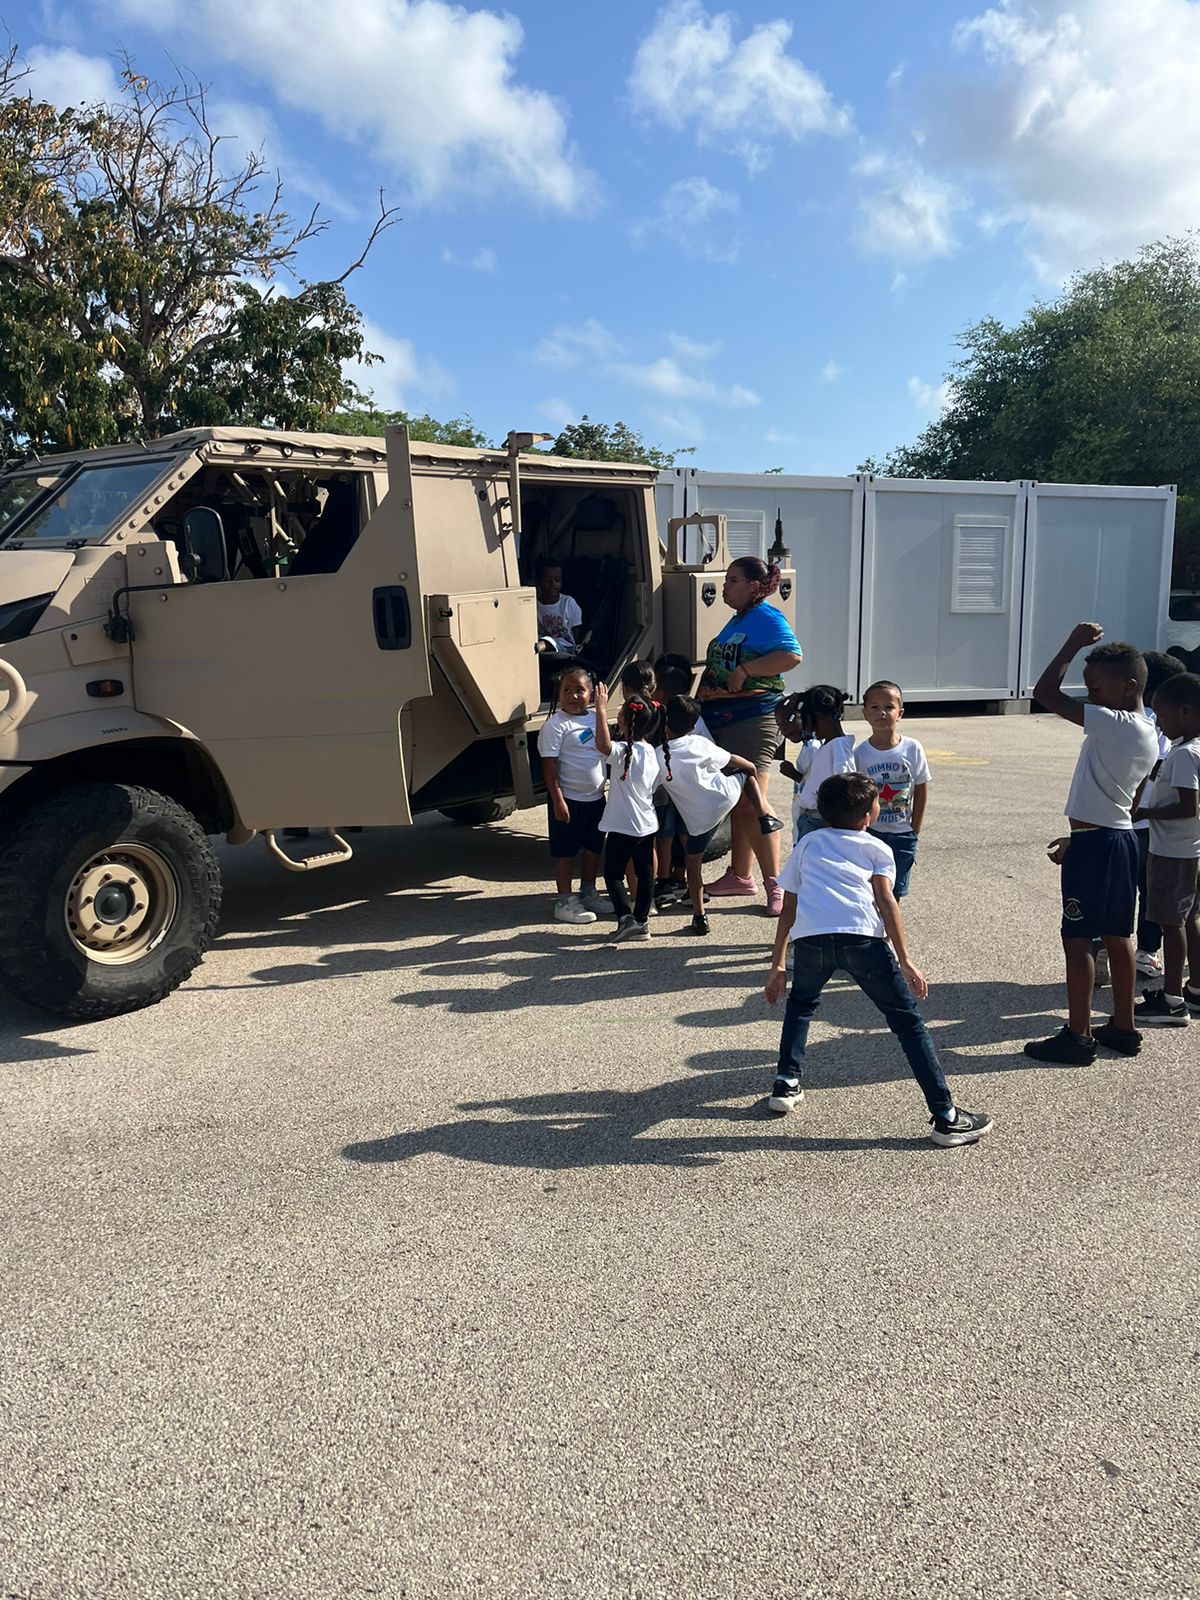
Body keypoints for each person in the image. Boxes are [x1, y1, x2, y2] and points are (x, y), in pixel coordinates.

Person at [763, 772, 992, 1147]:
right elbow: (887, 902)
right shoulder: (877, 848)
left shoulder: (807, 843)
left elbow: (789, 904)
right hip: (862, 939)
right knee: (907, 1024)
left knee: (801, 1005)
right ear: (868, 816)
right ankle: (946, 1116)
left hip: (812, 940)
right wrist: (905, 958)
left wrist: (778, 964)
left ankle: (786, 1083)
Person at [1023, 624, 1160, 1064]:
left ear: (1128, 687)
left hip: (1097, 843)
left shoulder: (1116, 722)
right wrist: (1079, 835)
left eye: (1095, 687)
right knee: (1119, 934)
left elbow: (1045, 693)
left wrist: (1071, 644)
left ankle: (1078, 1036)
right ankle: (1123, 1027)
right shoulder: (1145, 730)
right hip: (1116, 837)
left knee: (1078, 938)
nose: (1089, 695)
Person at [698, 557, 803, 916]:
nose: (724, 587)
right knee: (739, 800)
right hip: (724, 716)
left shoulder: (767, 617)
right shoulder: (739, 618)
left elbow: (791, 655)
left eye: (732, 580)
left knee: (753, 798)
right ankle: (740, 876)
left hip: (754, 717)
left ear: (754, 586)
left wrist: (746, 670)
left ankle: (776, 885)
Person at [661, 695, 783, 936]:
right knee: (746, 774)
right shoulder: (702, 744)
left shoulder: (658, 754)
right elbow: (744, 764)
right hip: (722, 800)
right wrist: (749, 772)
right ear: (694, 724)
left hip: (696, 818)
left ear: (665, 723)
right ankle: (763, 816)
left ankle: (700, 917)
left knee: (693, 867)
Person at [1132, 671, 1200, 1024]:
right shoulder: (1189, 748)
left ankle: (1172, 1000)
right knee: (1189, 918)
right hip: (1191, 851)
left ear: (1186, 711)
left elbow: (1189, 806)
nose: (1158, 723)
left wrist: (1145, 812)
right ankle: (1196, 988)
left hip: (1172, 852)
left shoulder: (1185, 755)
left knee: (1170, 922)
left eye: (1163, 714)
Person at [1129, 651, 1188, 981]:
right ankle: (1146, 952)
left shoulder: (1129, 720)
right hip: (1154, 823)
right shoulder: (1169, 723)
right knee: (1153, 894)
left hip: (1129, 820)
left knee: (1125, 889)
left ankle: (1110, 946)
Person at [537, 666, 611, 925]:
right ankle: (564, 900)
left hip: (595, 799)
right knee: (565, 852)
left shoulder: (594, 719)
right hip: (568, 800)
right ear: (558, 694)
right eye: (567, 690)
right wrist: (558, 799)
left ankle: (588, 891)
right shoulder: (555, 726)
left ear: (591, 694)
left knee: (593, 848)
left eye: (580, 690)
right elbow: (550, 765)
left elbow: (606, 750)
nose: (573, 695)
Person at [594, 682, 665, 941]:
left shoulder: (624, 751)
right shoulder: (653, 753)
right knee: (646, 874)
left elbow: (603, 745)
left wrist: (600, 710)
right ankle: (642, 921)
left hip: (623, 824)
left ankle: (625, 918)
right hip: (647, 824)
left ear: (623, 721)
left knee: (613, 873)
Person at [854, 680, 929, 898]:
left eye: (889, 707)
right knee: (871, 888)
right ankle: (874, 931)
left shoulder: (912, 748)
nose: (882, 712)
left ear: (900, 713)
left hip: (903, 833)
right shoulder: (861, 754)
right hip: (872, 833)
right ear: (865, 713)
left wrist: (915, 827)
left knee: (895, 890)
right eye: (874, 707)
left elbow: (922, 787)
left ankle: (889, 932)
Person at [651, 654, 711, 907]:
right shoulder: (693, 715)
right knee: (687, 835)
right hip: (693, 792)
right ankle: (687, 882)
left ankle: (664, 881)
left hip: (668, 788)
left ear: (660, 692)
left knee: (664, 833)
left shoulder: (660, 715)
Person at [786, 686, 855, 845]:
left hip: (820, 822)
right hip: (814, 820)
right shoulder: (830, 745)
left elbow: (845, 786)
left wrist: (832, 825)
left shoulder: (838, 747)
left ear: (816, 717)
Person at [533, 557, 583, 655]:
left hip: (565, 647)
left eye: (557, 580)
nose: (553, 584)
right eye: (548, 580)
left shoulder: (568, 603)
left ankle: (546, 645)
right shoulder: (534, 605)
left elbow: (576, 631)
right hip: (540, 643)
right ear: (539, 583)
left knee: (554, 642)